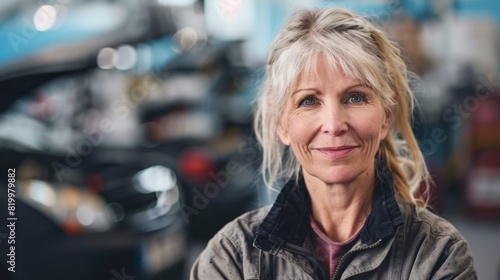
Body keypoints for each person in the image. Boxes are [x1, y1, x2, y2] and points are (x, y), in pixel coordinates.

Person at [190, 7, 476, 280]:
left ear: (386, 116)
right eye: (309, 101)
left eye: (355, 97)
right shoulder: (232, 258)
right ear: (282, 125)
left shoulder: (439, 256)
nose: (334, 124)